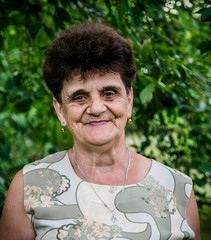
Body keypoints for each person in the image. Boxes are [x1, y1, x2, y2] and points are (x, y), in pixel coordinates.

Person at [0, 22, 201, 240]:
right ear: (60, 110)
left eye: (109, 93)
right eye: (79, 97)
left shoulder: (179, 189)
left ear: (129, 100)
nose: (96, 108)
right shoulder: (29, 187)